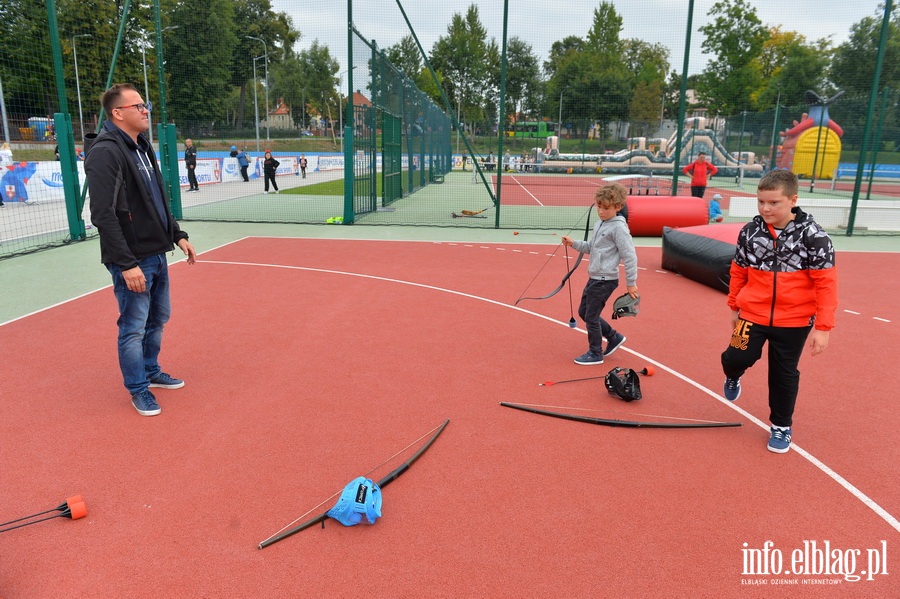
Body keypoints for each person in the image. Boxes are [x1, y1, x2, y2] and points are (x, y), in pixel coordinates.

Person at [84, 82, 196, 417]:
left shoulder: (141, 146)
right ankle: (138, 389)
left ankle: (150, 370)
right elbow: (102, 214)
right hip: (132, 259)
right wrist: (126, 263)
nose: (146, 110)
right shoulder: (106, 152)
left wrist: (177, 234)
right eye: (138, 106)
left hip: (156, 252)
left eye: (145, 105)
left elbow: (156, 198)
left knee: (158, 317)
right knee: (133, 326)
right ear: (118, 113)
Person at [720, 170, 837, 453]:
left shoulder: (815, 237)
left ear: (793, 200)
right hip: (752, 313)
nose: (765, 208)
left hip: (794, 321)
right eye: (761, 202)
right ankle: (733, 374)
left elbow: (826, 284)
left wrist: (823, 328)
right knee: (736, 355)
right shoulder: (750, 232)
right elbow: (738, 271)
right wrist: (735, 305)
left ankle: (781, 427)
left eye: (774, 203)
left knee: (783, 374)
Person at [561, 183, 639, 365]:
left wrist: (631, 282)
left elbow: (630, 256)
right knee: (583, 312)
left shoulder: (619, 228)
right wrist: (573, 243)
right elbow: (591, 247)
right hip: (595, 277)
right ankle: (613, 337)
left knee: (591, 317)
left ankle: (595, 353)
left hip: (606, 280)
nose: (601, 211)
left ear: (618, 207)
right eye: (599, 207)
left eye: (606, 208)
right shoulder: (600, 224)